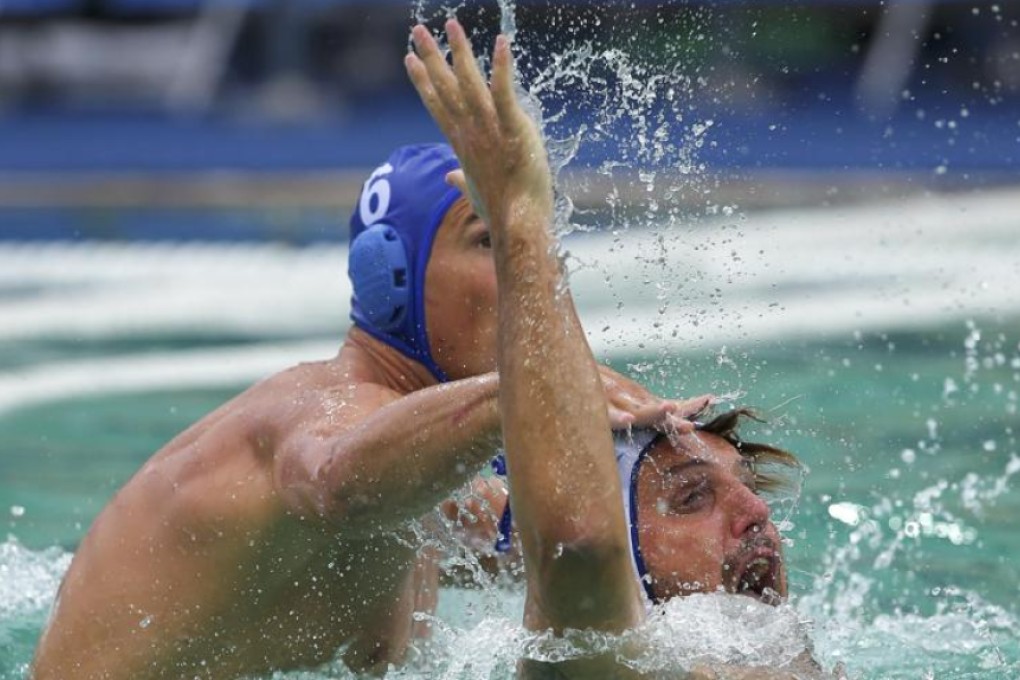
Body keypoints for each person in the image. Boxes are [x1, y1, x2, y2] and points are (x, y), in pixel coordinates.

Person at [31, 88, 697, 680]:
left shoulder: (433, 483)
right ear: (393, 281)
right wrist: (518, 392)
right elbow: (339, 479)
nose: (532, 278)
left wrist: (698, 503)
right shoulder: (312, 412)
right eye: (491, 240)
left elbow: (563, 554)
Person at [405, 19, 825, 679]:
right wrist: (523, 223)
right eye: (692, 499)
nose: (756, 515)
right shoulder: (607, 661)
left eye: (743, 487)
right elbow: (578, 544)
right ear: (626, 558)